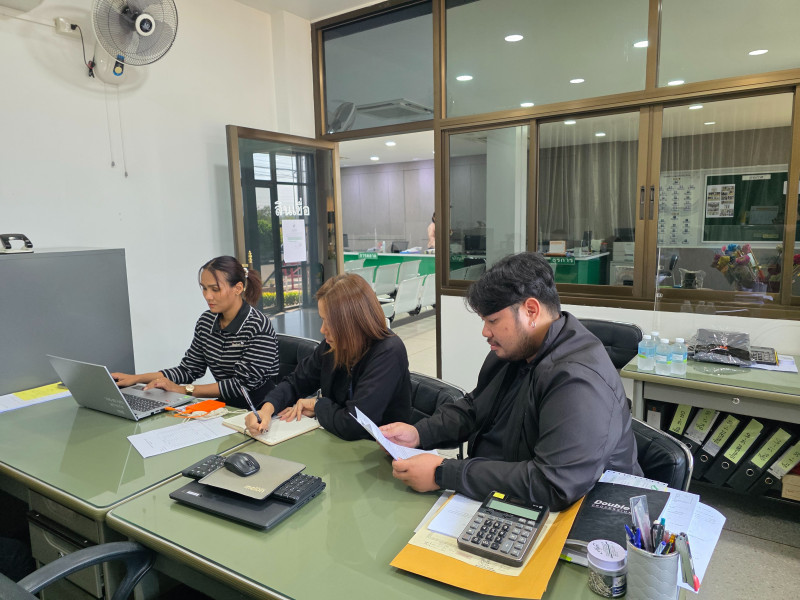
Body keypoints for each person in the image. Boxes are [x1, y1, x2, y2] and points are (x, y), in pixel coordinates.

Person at [381, 251, 641, 511]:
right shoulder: (514, 352)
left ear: (531, 311)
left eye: (493, 321)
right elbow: (475, 408)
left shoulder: (577, 380)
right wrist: (419, 434)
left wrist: (443, 473)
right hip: (506, 491)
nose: (485, 332)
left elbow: (552, 484)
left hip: (580, 514)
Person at [245, 273, 411, 441]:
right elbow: (296, 382)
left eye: (330, 323)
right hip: (338, 441)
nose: (323, 330)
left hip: (379, 449)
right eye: (322, 320)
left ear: (352, 323)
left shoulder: (388, 352)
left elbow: (355, 425)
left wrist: (318, 405)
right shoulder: (334, 345)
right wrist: (267, 409)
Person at [112, 256, 279, 410]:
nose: (208, 296)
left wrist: (183, 390)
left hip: (261, 408)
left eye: (215, 289)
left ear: (238, 288)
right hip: (227, 406)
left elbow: (240, 385)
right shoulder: (206, 321)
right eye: (204, 288)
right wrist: (136, 379)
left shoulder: (258, 325)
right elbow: (189, 369)